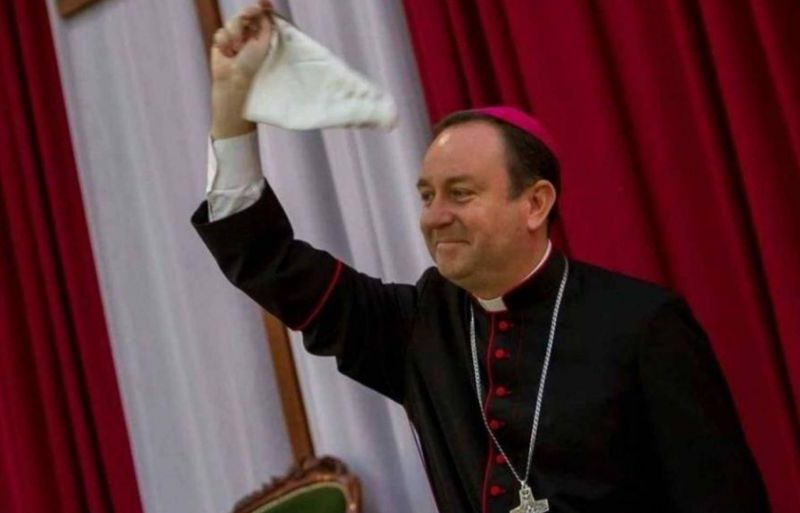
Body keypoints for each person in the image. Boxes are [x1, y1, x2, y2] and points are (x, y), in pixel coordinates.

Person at [192, 3, 771, 512]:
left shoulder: (644, 325)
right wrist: (231, 105)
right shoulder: (419, 328)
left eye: (461, 193)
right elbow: (265, 258)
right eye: (427, 195)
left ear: (535, 203)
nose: (435, 215)